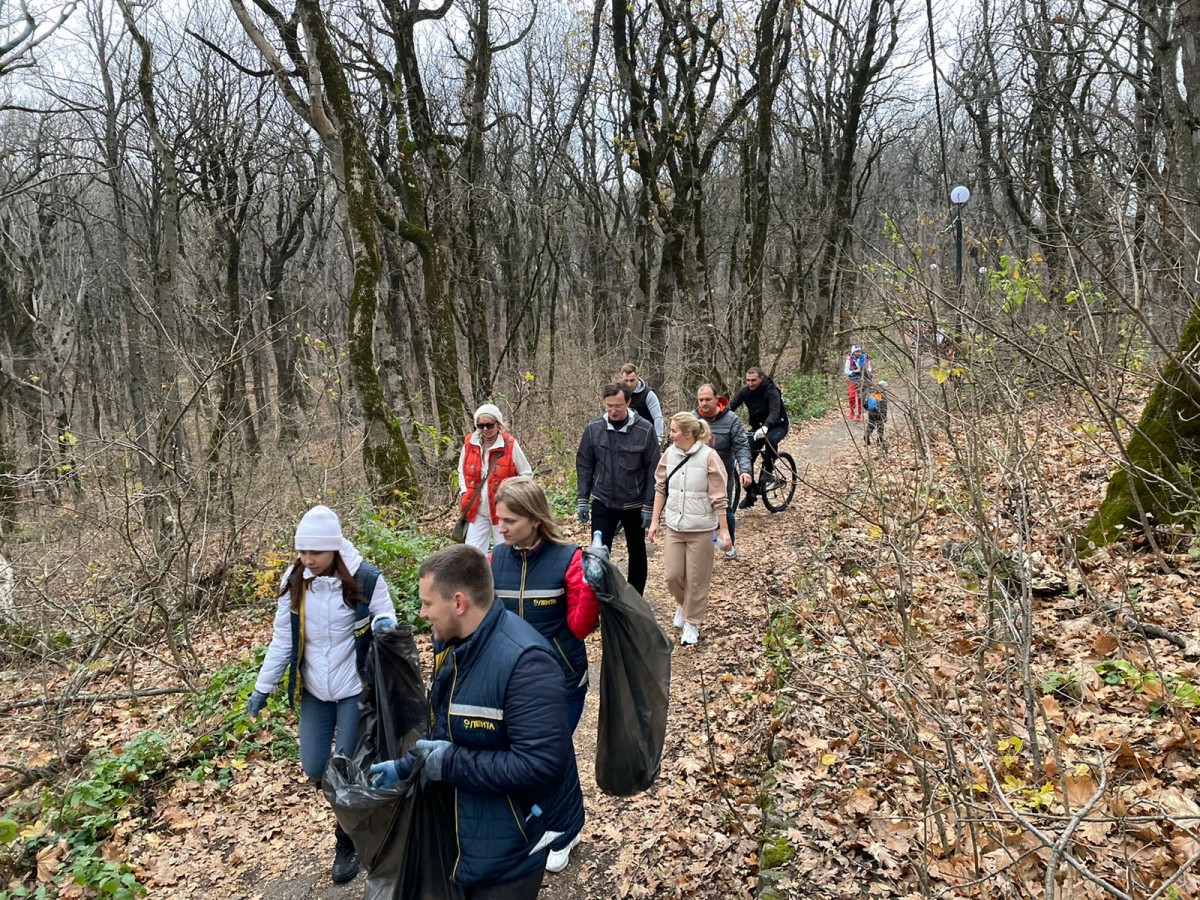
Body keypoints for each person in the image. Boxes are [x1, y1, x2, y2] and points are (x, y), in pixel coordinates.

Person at [368, 545, 569, 899]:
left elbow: (542, 765)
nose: (421, 613)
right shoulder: (456, 647)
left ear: (459, 603)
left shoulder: (526, 664)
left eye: (428, 604)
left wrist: (450, 763)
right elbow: (444, 732)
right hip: (463, 834)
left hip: (512, 850)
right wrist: (407, 767)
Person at [247, 505, 397, 884]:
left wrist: (383, 625)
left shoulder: (365, 577)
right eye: (302, 551)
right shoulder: (296, 579)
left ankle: (345, 842)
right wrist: (263, 687)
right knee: (315, 766)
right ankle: (352, 810)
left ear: (334, 549)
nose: (307, 559)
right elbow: (283, 638)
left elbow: (386, 616)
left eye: (315, 552)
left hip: (352, 690)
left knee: (345, 768)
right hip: (314, 689)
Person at [491, 476, 599, 873]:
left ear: (535, 519)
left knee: (551, 755)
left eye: (510, 521)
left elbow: (580, 627)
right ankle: (540, 821)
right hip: (511, 685)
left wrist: (590, 587)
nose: (500, 528)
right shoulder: (497, 559)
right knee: (524, 759)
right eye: (499, 519)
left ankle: (567, 829)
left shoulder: (568, 558)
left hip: (561, 681)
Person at [647, 413, 732, 646]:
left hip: (702, 530)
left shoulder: (709, 457)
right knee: (672, 575)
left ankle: (692, 623)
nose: (670, 434)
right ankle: (683, 603)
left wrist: (724, 531)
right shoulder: (669, 454)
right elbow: (660, 488)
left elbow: (719, 497)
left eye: (673, 430)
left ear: (686, 433)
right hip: (675, 526)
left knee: (697, 579)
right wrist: (655, 521)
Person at [576, 383, 661, 594]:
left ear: (629, 403)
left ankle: (635, 600)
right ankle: (601, 600)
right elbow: (585, 464)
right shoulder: (593, 428)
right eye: (609, 406)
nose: (613, 411)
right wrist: (583, 499)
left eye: (618, 406)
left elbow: (654, 470)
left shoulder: (644, 430)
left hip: (634, 503)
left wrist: (650, 507)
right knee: (598, 554)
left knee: (637, 553)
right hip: (604, 501)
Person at [457, 403, 533, 552]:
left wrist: (512, 490)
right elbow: (462, 470)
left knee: (506, 553)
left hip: (504, 509)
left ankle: (504, 575)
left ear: (498, 424)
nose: (485, 429)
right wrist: (464, 491)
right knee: (472, 554)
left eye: (489, 425)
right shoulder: (469, 443)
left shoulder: (510, 444)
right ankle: (480, 576)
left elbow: (527, 474)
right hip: (476, 509)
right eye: (480, 425)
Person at [694, 383, 752, 559]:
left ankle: (729, 545)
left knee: (724, 510)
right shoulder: (692, 419)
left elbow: (742, 446)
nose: (704, 403)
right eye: (700, 399)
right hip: (697, 474)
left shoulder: (731, 419)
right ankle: (701, 549)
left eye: (707, 399)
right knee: (699, 511)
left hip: (722, 474)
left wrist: (745, 470)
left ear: (717, 399)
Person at [728, 367, 790, 510]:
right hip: (757, 428)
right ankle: (751, 493)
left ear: (761, 378)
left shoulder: (772, 391)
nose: (750, 383)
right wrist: (718, 416)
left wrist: (767, 426)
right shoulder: (745, 392)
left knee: (771, 441)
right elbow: (731, 406)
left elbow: (774, 411)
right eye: (748, 380)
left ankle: (768, 471)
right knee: (745, 456)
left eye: (753, 380)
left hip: (777, 425)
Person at [618, 363, 664, 442]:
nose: (629, 384)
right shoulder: (617, 393)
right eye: (626, 381)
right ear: (621, 378)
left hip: (645, 437)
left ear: (638, 376)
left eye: (632, 380)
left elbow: (658, 417)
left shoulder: (648, 394)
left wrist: (658, 440)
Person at [843, 344, 873, 421]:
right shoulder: (849, 359)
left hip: (862, 379)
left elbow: (869, 368)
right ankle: (852, 411)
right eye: (856, 352)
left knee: (860, 397)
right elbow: (846, 371)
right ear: (853, 352)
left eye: (859, 351)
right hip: (852, 379)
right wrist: (854, 372)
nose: (858, 353)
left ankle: (859, 414)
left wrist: (865, 370)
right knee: (851, 396)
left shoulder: (865, 358)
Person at [864, 380, 889, 446]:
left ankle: (867, 436)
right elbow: (884, 408)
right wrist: (884, 417)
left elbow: (865, 403)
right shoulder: (883, 395)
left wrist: (868, 409)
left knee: (871, 425)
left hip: (871, 412)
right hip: (879, 413)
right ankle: (880, 440)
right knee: (880, 426)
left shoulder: (871, 392)